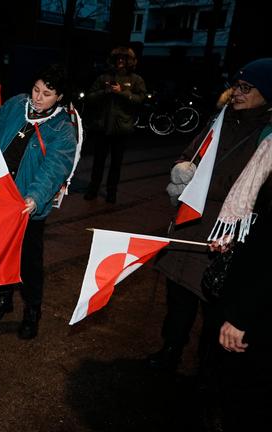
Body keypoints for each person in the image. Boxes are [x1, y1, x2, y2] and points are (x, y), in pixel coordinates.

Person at [150, 58, 272, 372]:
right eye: (236, 86)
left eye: (247, 88)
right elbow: (190, 153)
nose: (237, 93)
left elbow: (248, 188)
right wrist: (182, 169)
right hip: (190, 224)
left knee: (213, 304)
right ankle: (170, 350)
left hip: (223, 234)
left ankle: (206, 369)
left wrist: (200, 183)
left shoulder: (266, 137)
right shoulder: (219, 120)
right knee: (177, 295)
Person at [0, 64, 78, 339]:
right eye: (36, 89)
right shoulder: (17, 105)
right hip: (0, 197)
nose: (37, 97)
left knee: (28, 261)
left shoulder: (61, 129)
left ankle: (32, 310)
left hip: (26, 205)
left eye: (46, 93)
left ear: (58, 97)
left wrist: (34, 198)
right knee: (0, 253)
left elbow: (55, 167)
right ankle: (3, 298)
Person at [214, 133, 272, 429]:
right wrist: (237, 238)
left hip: (259, 312)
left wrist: (240, 316)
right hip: (255, 299)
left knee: (246, 399)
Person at [83, 46, 146, 204]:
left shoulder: (136, 79)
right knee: (98, 162)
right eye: (118, 59)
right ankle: (93, 189)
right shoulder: (103, 77)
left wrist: (122, 92)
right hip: (102, 128)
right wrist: (105, 91)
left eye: (123, 59)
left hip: (121, 129)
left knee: (116, 164)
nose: (120, 62)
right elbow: (89, 97)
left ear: (129, 61)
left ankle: (112, 192)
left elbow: (141, 99)